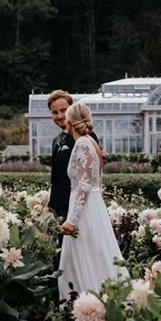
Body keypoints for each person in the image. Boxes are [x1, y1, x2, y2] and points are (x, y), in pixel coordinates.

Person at [57, 102, 128, 300]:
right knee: (95, 256)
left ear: (69, 122)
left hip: (85, 209)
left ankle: (87, 301)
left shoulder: (81, 144)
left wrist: (71, 220)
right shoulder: (92, 143)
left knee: (85, 258)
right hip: (93, 205)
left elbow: (84, 185)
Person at [47, 90, 99, 271]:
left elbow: (89, 178)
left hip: (76, 208)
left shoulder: (86, 138)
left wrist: (75, 214)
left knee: (79, 260)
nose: (60, 116)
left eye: (63, 110)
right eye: (55, 112)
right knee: (60, 258)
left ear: (72, 110)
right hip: (59, 206)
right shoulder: (56, 140)